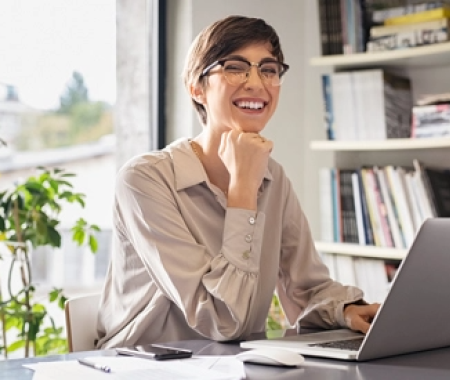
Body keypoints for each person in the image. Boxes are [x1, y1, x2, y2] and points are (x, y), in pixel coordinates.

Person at [96, 15, 379, 349]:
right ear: (196, 88)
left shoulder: (274, 178)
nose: (257, 83)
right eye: (235, 67)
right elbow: (221, 320)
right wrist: (243, 189)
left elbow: (305, 288)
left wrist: (347, 310)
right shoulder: (144, 180)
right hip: (140, 369)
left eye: (269, 70)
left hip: (231, 364)